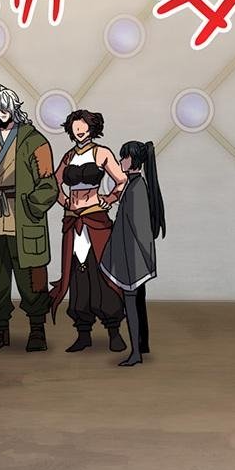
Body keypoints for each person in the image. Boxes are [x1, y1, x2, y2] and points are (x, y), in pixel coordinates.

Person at [0, 84, 58, 353]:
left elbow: (48, 184)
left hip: (24, 220)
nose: (2, 112)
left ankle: (37, 329)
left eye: (6, 107)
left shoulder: (34, 140)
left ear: (14, 108)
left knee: (32, 278)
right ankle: (0, 328)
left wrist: (30, 206)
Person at [49, 109, 128, 353]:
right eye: (75, 127)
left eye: (83, 126)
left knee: (103, 274)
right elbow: (55, 181)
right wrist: (64, 201)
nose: (79, 131)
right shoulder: (69, 155)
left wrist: (109, 199)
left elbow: (121, 180)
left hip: (96, 220)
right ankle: (83, 333)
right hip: (73, 221)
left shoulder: (102, 153)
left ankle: (114, 332)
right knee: (77, 275)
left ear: (92, 128)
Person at [99, 138, 165, 366]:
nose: (120, 161)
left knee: (132, 304)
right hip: (135, 257)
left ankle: (136, 353)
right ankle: (142, 345)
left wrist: (125, 258)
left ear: (134, 160)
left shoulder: (136, 188)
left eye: (124, 157)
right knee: (138, 302)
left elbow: (134, 230)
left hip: (132, 258)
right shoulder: (136, 185)